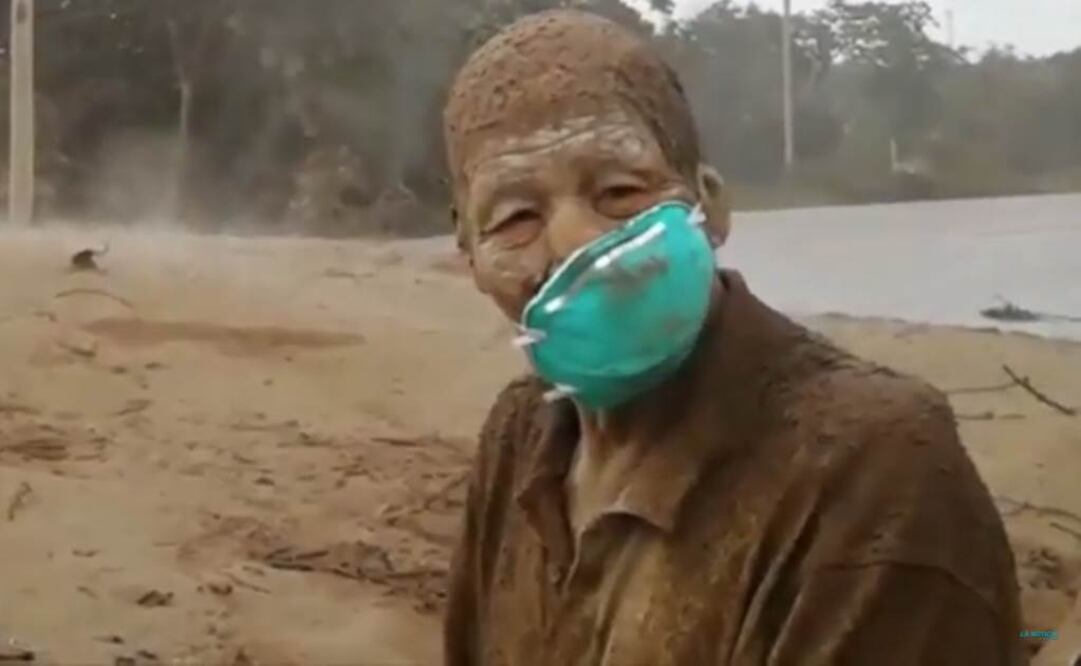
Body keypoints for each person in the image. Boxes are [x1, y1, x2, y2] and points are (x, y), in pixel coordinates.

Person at [441, 10, 1024, 665]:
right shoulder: (519, 435)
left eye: (620, 191)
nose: (579, 245)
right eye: (516, 217)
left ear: (709, 205)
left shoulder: (870, 463)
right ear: (469, 256)